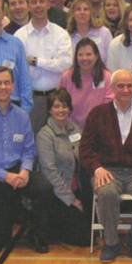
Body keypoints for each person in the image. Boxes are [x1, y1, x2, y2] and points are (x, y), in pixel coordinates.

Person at [80, 70, 132, 263]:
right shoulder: (97, 114)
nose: (125, 90)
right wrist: (97, 168)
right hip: (107, 171)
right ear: (112, 88)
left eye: (129, 86)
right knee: (107, 193)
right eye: (121, 86)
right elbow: (85, 149)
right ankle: (111, 242)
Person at [0, 66, 50, 253]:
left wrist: (25, 171)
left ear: (13, 86)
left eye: (6, 83)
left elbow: (29, 149)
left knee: (44, 187)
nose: (3, 87)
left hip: (18, 170)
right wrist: (6, 177)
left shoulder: (22, 115)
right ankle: (8, 224)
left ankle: (36, 234)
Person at [35, 90, 92, 247]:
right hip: (58, 193)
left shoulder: (75, 129)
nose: (61, 110)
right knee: (83, 239)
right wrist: (71, 200)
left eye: (64, 106)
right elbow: (50, 172)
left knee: (92, 234)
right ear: (49, 110)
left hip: (78, 187)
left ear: (70, 109)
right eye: (56, 106)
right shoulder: (45, 135)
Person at [15, 0, 73, 131]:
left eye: (41, 1)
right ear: (28, 6)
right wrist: (52, 63)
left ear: (48, 4)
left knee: (59, 141)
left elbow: (65, 64)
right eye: (33, 2)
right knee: (32, 142)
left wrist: (37, 62)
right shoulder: (19, 36)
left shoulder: (61, 34)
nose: (38, 5)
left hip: (57, 99)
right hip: (31, 99)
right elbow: (19, 69)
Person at [60, 38, 113, 130]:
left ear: (96, 56)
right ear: (76, 57)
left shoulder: (107, 77)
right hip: (71, 128)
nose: (84, 58)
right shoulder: (67, 77)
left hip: (100, 128)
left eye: (88, 54)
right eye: (80, 55)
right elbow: (62, 104)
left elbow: (109, 107)